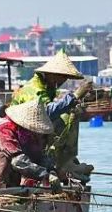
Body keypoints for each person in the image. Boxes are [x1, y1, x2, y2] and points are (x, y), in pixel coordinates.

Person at [9, 51, 94, 180]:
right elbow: (44, 113)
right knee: (64, 120)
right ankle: (63, 163)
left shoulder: (48, 87)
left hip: (33, 130)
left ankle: (67, 159)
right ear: (52, 74)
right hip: (20, 128)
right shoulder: (35, 88)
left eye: (66, 77)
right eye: (62, 77)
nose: (63, 81)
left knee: (72, 115)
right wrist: (73, 97)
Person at [0, 99, 61, 189]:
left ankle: (12, 187)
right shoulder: (5, 129)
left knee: (23, 153)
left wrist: (52, 171)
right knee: (4, 153)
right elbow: (18, 161)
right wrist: (45, 175)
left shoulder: (25, 134)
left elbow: (37, 156)